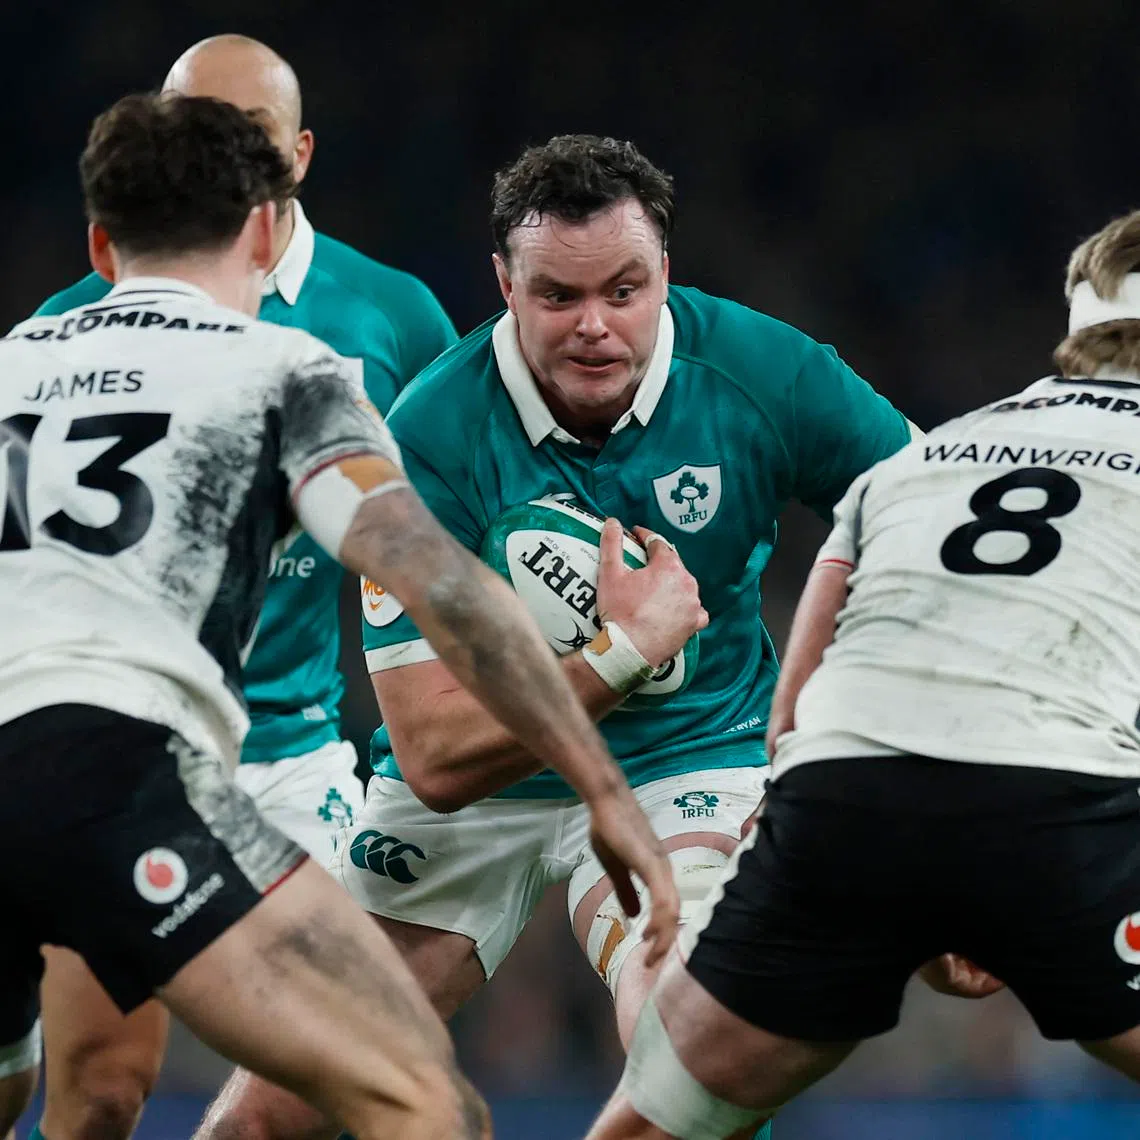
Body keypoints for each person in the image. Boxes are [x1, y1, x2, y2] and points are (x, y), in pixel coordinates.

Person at [195, 133, 916, 1140]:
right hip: (482, 792)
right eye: (557, 297)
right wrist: (624, 653)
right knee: (266, 1118)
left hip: (685, 763)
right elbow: (436, 758)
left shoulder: (767, 373)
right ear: (503, 283)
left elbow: (927, 526)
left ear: (666, 272)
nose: (594, 327)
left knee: (692, 1035)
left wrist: (843, 723)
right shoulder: (429, 432)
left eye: (624, 291)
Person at [0, 91, 678, 1140]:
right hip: (111, 765)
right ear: (266, 231)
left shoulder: (10, 363)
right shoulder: (277, 373)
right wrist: (603, 788)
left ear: (99, 243)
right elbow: (439, 582)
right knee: (423, 1101)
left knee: (32, 1094)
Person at [584, 207, 1140, 1140]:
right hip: (1057, 804)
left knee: (661, 1119)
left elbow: (791, 716)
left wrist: (919, 895)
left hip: (842, 803)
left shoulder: (926, 456)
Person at [29, 34, 456, 1140]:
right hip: (118, 752)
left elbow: (443, 525)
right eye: (188, 128)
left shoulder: (391, 316)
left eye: (250, 133)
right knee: (103, 1087)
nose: (218, 152)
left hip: (292, 755)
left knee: (344, 1087)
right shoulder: (70, 320)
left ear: (299, 154)